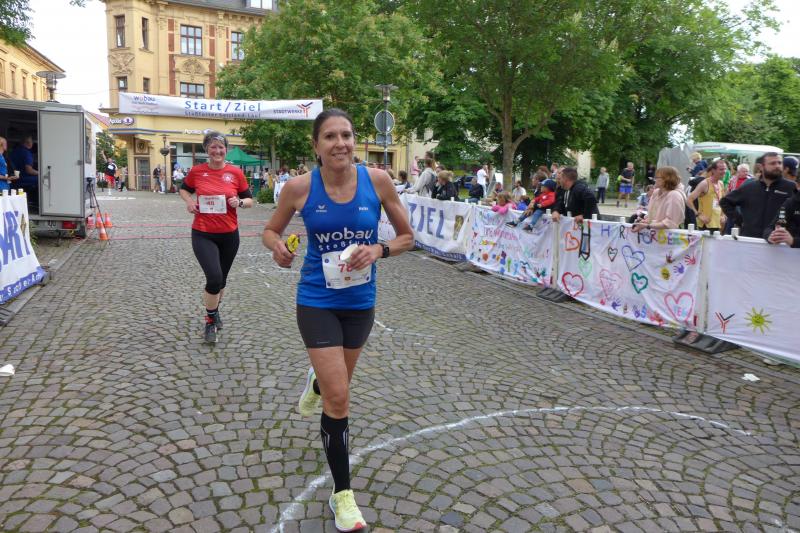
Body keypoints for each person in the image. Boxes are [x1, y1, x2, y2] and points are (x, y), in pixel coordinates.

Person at [262, 108, 413, 532]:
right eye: (330, 136)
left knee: (334, 386)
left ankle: (316, 383)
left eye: (346, 135)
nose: (340, 143)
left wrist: (379, 250)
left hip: (360, 302)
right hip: (317, 300)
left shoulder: (377, 181)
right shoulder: (299, 187)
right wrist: (279, 248)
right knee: (340, 398)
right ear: (316, 145)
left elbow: (407, 237)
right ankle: (342, 495)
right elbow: (270, 231)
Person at [179, 131, 253, 344]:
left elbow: (249, 200)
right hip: (203, 233)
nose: (217, 151)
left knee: (222, 280)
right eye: (213, 147)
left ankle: (215, 310)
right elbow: (184, 190)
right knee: (213, 277)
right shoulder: (197, 171)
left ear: (226, 149)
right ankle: (210, 321)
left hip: (229, 235)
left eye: (221, 147)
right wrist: (189, 202)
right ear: (206, 149)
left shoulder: (235, 173)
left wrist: (239, 203)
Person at [720, 152, 795, 238]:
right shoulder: (749, 187)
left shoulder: (791, 187)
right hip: (750, 240)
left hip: (779, 241)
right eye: (772, 163)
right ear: (761, 167)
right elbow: (725, 202)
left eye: (779, 163)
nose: (777, 166)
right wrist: (741, 221)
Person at [631, 166, 686, 231]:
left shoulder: (674, 195)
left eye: (657, 177)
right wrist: (644, 221)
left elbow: (671, 223)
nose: (654, 180)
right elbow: (653, 217)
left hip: (667, 235)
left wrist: (647, 226)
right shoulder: (656, 192)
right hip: (655, 233)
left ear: (667, 179)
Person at [686, 158, 726, 233]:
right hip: (706, 224)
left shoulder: (721, 183)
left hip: (717, 222)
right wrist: (698, 215)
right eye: (721, 169)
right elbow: (688, 200)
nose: (724, 171)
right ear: (713, 170)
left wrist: (723, 215)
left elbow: (722, 201)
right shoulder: (704, 184)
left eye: (725, 169)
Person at [766, 179, 800, 248]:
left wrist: (794, 241)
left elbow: (793, 241)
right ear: (798, 186)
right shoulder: (790, 203)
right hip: (790, 252)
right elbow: (770, 228)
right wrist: (771, 236)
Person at [10, 135, 39, 207]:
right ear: (27, 143)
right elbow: (29, 170)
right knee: (42, 179)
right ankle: (36, 203)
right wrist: (40, 173)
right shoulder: (27, 153)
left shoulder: (14, 151)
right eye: (31, 141)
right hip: (24, 178)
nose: (32, 143)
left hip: (15, 178)